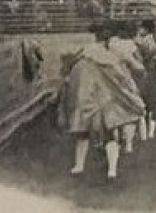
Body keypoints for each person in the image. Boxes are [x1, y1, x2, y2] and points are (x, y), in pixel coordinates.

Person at [57, 22, 144, 180]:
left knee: (83, 132)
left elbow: (67, 70)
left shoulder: (84, 53)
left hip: (87, 99)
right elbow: (129, 74)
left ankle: (79, 166)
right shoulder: (112, 57)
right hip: (107, 100)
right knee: (110, 134)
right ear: (108, 38)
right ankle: (111, 170)